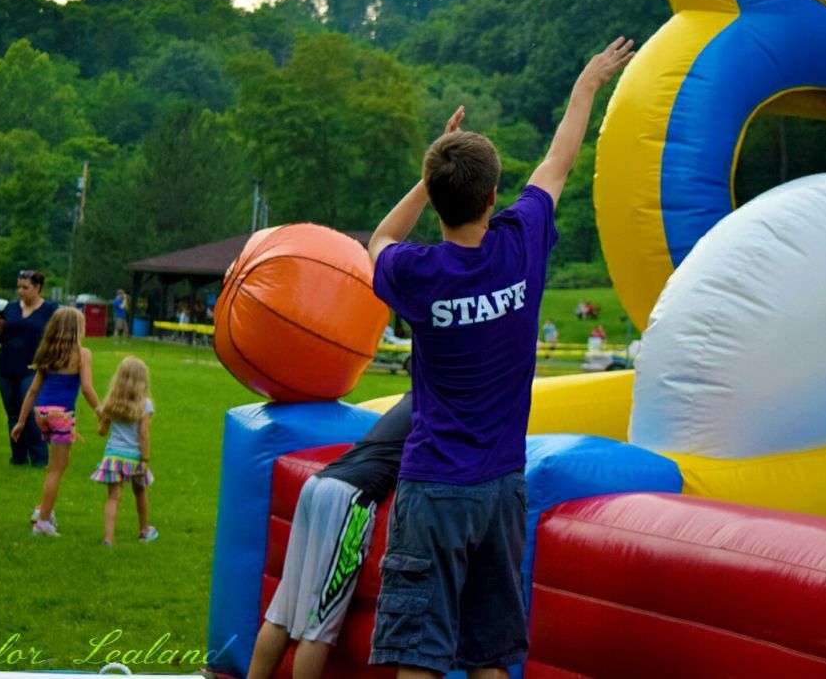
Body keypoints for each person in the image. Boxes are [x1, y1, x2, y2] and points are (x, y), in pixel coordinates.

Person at [366, 36, 634, 677]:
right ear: (493, 199)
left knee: (417, 657)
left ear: (440, 196)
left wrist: (428, 182)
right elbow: (560, 160)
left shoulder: (418, 273)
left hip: (433, 488)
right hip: (501, 489)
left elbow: (379, 238)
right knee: (491, 657)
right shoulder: (522, 243)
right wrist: (586, 85)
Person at [247, 393, 414, 679]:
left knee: (283, 611)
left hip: (319, 483)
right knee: (320, 622)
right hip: (351, 497)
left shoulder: (413, 398)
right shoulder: (441, 403)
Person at [11, 307, 104, 536]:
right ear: (77, 330)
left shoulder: (48, 353)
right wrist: (102, 412)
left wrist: (21, 422)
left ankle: (43, 507)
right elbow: (87, 388)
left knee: (58, 465)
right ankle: (42, 522)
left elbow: (33, 391)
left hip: (42, 414)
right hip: (61, 416)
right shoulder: (82, 354)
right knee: (55, 470)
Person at [0, 269, 59, 467]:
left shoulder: (51, 310)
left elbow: (57, 337)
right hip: (6, 368)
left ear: (37, 287)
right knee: (13, 414)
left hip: (33, 368)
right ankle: (18, 457)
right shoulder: (10, 308)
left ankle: (39, 458)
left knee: (30, 413)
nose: (20, 291)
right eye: (18, 287)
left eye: (25, 287)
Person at [91, 356, 158, 545]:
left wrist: (101, 421)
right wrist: (145, 458)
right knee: (140, 491)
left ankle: (108, 539)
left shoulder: (111, 403)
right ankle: (144, 531)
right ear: (142, 381)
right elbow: (143, 433)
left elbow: (102, 432)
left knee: (113, 497)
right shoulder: (145, 404)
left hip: (113, 456)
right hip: (135, 457)